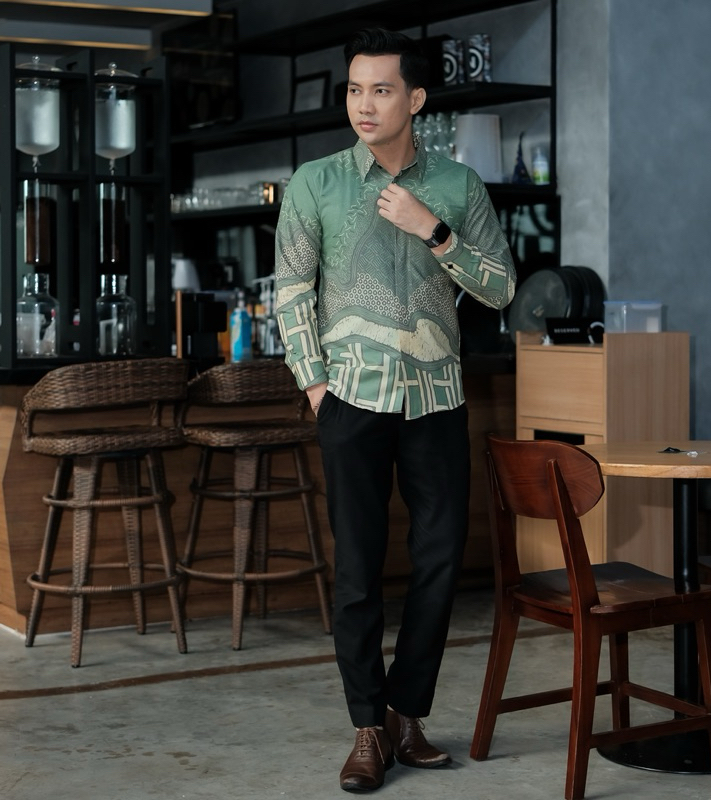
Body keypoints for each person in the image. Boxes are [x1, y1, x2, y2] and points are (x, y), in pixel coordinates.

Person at [275, 27, 515, 793]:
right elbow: (290, 292)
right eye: (355, 89)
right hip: (351, 399)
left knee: (440, 562)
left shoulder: (458, 186)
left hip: (437, 399)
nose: (365, 104)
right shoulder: (314, 183)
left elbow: (501, 288)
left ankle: (408, 715)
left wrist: (433, 230)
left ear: (415, 99)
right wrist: (317, 388)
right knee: (357, 569)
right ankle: (366, 728)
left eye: (381, 90)